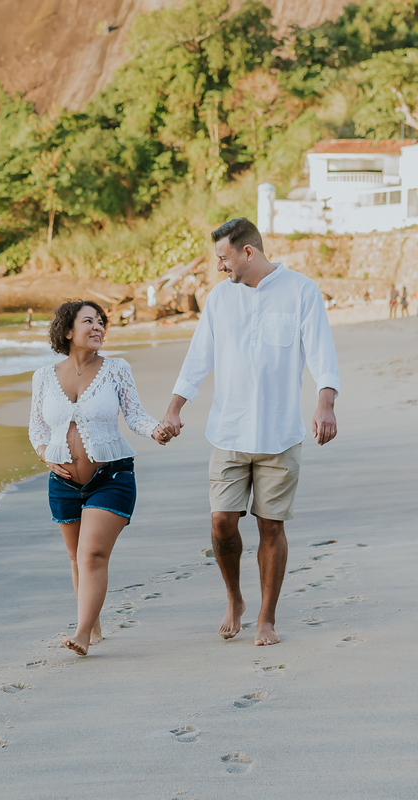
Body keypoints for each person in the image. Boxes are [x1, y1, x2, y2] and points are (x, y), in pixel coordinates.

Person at [155, 218, 339, 647]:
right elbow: (197, 358)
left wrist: (325, 402)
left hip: (280, 433)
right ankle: (234, 598)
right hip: (228, 430)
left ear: (248, 252)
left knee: (271, 526)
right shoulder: (220, 299)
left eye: (223, 257)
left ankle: (265, 617)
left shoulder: (300, 291)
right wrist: (174, 410)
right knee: (222, 522)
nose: (220, 266)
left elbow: (321, 352)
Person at [29, 300, 166, 656]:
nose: (98, 327)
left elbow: (136, 416)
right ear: (68, 331)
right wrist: (46, 455)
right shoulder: (44, 377)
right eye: (88, 321)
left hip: (112, 476)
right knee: (77, 558)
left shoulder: (116, 369)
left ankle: (82, 632)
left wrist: (157, 430)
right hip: (63, 482)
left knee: (92, 555)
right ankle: (93, 623)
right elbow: (37, 429)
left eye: (101, 322)